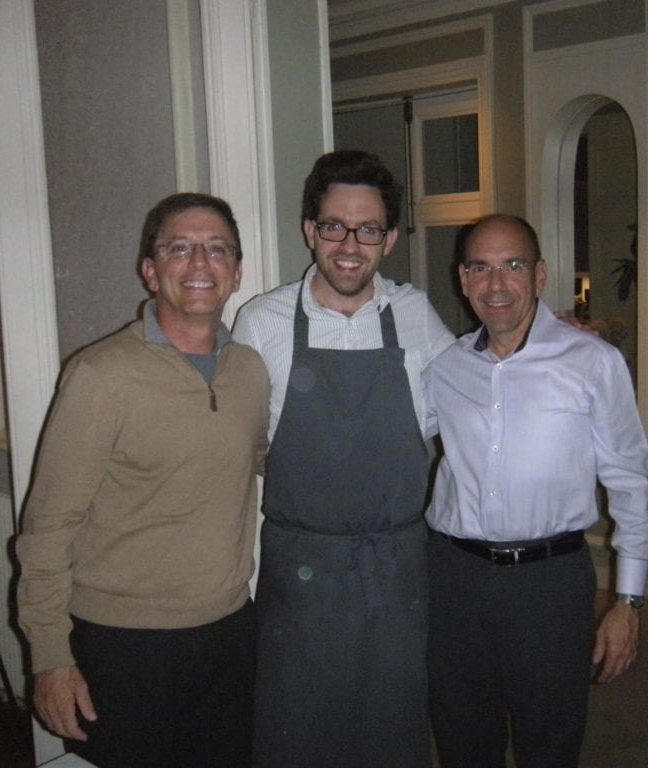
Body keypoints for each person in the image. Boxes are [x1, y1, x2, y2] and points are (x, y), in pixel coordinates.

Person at [16, 193, 270, 768]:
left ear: (236, 272)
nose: (200, 263)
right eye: (179, 248)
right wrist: (50, 656)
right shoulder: (99, 375)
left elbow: (259, 459)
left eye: (216, 250)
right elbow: (48, 527)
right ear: (150, 270)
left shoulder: (250, 372)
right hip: (123, 645)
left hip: (230, 631)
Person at [232, 150, 454, 767]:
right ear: (310, 230)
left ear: (387, 238)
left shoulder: (416, 317)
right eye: (334, 226)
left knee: (392, 733)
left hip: (398, 569)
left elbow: (477, 399)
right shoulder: (260, 323)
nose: (349, 245)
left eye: (368, 229)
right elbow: (233, 438)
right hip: (299, 573)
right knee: (296, 734)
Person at [423, 214, 648, 768]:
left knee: (549, 741)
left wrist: (628, 601)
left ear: (540, 274)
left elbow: (632, 480)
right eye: (479, 267)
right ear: (462, 280)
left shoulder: (592, 362)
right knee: (461, 737)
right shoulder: (445, 368)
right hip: (453, 579)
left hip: (549, 585)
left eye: (513, 265)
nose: (496, 283)